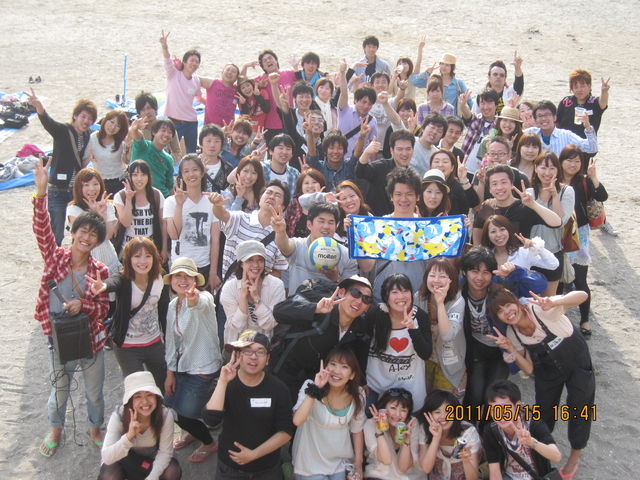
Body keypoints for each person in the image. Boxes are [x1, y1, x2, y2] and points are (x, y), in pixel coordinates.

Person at [31, 157, 109, 457]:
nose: (86, 238)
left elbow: (103, 310)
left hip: (92, 342)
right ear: (74, 232)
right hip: (59, 338)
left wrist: (84, 304)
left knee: (94, 393)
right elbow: (42, 231)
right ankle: (56, 428)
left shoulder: (100, 270)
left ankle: (95, 427)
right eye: (83, 232)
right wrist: (41, 193)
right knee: (59, 390)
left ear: (97, 241)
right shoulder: (56, 258)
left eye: (93, 234)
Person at [487, 286, 594, 478]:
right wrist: (511, 349)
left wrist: (556, 301)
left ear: (516, 302)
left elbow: (582, 295)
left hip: (576, 359)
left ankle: (574, 458)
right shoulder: (512, 333)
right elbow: (529, 369)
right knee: (543, 412)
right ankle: (542, 454)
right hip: (547, 369)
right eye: (500, 312)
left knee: (580, 409)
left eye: (508, 305)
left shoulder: (540, 308)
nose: (507, 313)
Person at [203, 330, 295, 480]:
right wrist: (223, 382)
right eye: (247, 351)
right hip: (230, 468)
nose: (253, 357)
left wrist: (254, 454)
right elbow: (211, 420)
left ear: (267, 359)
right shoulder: (224, 384)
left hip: (267, 468)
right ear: (237, 355)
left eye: (260, 352)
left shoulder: (279, 389)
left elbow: (286, 431)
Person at [272, 275, 374, 400]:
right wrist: (315, 309)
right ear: (341, 293)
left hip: (316, 382)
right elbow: (278, 311)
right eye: (355, 293)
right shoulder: (321, 303)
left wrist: (361, 382)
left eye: (366, 299)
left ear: (368, 307)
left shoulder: (360, 326)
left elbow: (358, 354)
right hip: (284, 373)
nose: (359, 301)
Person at [87, 237, 169, 390]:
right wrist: (104, 286)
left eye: (147, 256)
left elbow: (164, 311)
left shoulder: (160, 278)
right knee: (138, 390)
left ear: (154, 257)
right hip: (127, 346)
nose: (142, 261)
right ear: (129, 259)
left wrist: (168, 342)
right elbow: (113, 282)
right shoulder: (124, 278)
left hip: (154, 344)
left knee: (162, 388)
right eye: (137, 256)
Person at [163, 257, 222, 463]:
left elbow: (201, 305)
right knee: (168, 406)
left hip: (203, 367)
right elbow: (171, 340)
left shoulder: (204, 297)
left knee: (184, 413)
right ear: (171, 280)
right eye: (178, 275)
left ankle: (209, 442)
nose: (183, 280)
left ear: (195, 280)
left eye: (188, 276)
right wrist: (170, 373)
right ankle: (195, 432)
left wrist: (194, 300)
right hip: (182, 366)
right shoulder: (173, 305)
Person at [26, 89, 98, 245]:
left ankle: (73, 258)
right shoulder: (63, 131)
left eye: (90, 119)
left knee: (78, 230)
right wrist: (39, 106)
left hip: (76, 190)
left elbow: (78, 161)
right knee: (56, 234)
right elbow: (48, 122)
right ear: (75, 116)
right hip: (57, 190)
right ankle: (52, 259)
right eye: (83, 116)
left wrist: (88, 160)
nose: (86, 121)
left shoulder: (87, 135)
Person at [292, 346, 366, 480]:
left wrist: (358, 463)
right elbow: (297, 420)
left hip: (340, 461)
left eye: (344, 367)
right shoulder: (310, 386)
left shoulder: (358, 394)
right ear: (325, 366)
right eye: (333, 364)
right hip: (309, 463)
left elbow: (357, 429)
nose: (336, 371)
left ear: (352, 375)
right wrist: (316, 389)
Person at [357, 168, 429, 302]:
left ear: (418, 196)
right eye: (398, 194)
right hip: (383, 298)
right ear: (391, 196)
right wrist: (356, 236)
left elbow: (435, 265)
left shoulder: (426, 227)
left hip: (417, 299)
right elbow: (367, 267)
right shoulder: (379, 226)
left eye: (409, 194)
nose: (403, 199)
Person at [560, 146, 608, 335]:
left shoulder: (584, 181)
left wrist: (593, 176)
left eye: (577, 161)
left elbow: (602, 196)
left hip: (579, 233)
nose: (573, 164)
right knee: (559, 279)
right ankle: (559, 318)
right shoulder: (553, 179)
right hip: (558, 232)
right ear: (561, 161)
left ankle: (585, 320)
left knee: (580, 279)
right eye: (569, 160)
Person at [367, 274, 432, 411]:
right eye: (395, 292)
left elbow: (426, 354)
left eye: (405, 291)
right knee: (371, 418)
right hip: (375, 385)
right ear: (386, 296)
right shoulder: (376, 313)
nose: (401, 297)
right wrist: (361, 381)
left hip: (410, 387)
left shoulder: (420, 316)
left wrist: (413, 328)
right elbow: (362, 346)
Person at [99, 371, 181, 480]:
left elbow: (165, 453)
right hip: (125, 459)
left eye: (149, 394)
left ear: (156, 396)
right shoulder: (119, 416)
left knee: (172, 472)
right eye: (138, 396)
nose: (145, 402)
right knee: (108, 476)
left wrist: (152, 477)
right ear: (130, 400)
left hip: (153, 460)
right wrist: (129, 436)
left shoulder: (164, 415)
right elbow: (107, 457)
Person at [209, 180, 289, 280]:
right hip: (231, 287)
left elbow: (278, 271)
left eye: (277, 195)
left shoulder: (280, 237)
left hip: (259, 289)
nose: (271, 197)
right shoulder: (240, 219)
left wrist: (259, 281)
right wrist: (217, 205)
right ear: (260, 198)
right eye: (268, 192)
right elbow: (222, 214)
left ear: (283, 207)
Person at [482, 380, 562, 480]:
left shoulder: (534, 424)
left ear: (518, 406)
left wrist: (532, 442)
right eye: (495, 409)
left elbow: (556, 456)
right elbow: (494, 471)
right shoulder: (491, 431)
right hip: (510, 476)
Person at [164, 155, 221, 292]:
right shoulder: (171, 201)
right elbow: (174, 235)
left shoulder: (211, 201)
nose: (191, 174)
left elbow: (215, 240)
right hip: (180, 266)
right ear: (181, 176)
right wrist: (179, 205)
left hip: (203, 265)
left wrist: (213, 272)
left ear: (202, 172)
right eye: (186, 171)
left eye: (195, 169)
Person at [272, 202, 358, 293]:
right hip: (298, 301)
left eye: (331, 222)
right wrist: (280, 232)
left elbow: (350, 291)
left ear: (336, 227)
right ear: (309, 224)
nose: (326, 226)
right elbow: (284, 246)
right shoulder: (298, 245)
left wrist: (335, 278)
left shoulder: (347, 255)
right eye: (321, 221)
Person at [472, 164, 561, 245]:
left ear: (511, 184)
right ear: (490, 189)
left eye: (503, 182)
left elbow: (556, 223)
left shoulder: (524, 207)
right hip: (492, 257)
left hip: (520, 256)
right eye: (494, 184)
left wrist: (534, 204)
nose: (499, 187)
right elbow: (477, 232)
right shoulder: (487, 206)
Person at [415, 258, 467, 398]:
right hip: (425, 359)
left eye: (442, 276)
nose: (436, 280)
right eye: (432, 275)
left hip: (449, 362)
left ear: (451, 279)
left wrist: (440, 303)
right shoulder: (419, 298)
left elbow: (447, 335)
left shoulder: (457, 301)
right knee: (423, 400)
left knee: (442, 404)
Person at [526, 151, 575, 295]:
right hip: (530, 254)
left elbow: (560, 221)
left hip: (553, 252)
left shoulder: (566, 191)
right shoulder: (529, 193)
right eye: (543, 167)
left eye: (552, 168)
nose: (547, 173)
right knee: (528, 300)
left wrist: (554, 195)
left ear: (558, 170)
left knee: (549, 300)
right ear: (536, 168)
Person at [220, 240, 286, 343]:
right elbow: (237, 327)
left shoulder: (276, 285)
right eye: (250, 260)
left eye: (260, 260)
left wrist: (256, 298)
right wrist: (243, 297)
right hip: (236, 345)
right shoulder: (229, 288)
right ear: (241, 263)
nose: (255, 265)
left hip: (264, 346)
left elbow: (270, 324)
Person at [159, 30, 211, 153]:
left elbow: (199, 98)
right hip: (173, 121)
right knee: (169, 152)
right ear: (184, 62)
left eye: (197, 61)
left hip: (191, 121)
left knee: (191, 152)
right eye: (192, 60)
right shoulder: (173, 74)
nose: (194, 63)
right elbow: (167, 59)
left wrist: (210, 105)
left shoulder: (196, 80)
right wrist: (164, 45)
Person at [67, 168, 121, 275]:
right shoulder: (73, 209)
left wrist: (103, 214)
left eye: (95, 184)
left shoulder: (108, 206)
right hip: (83, 260)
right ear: (79, 188)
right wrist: (94, 213)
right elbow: (83, 235)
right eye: (86, 185)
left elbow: (108, 235)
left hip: (107, 258)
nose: (91, 189)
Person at [418, 390, 481, 480]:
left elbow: (473, 478)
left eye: (448, 411)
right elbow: (426, 469)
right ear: (429, 414)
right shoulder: (425, 429)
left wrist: (466, 460)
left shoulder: (468, 432)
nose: (443, 416)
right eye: (437, 412)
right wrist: (436, 438)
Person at [114, 160, 168, 260]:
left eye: (143, 175)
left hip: (150, 251)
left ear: (148, 176)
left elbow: (163, 223)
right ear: (129, 177)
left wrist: (164, 249)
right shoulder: (120, 196)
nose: (139, 179)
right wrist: (128, 199)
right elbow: (126, 222)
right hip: (127, 251)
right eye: (135, 175)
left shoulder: (156, 195)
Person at [365, 389, 422, 480]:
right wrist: (378, 430)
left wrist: (407, 440)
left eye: (403, 410)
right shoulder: (370, 424)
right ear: (383, 408)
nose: (397, 414)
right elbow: (386, 460)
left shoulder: (412, 424)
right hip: (380, 475)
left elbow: (403, 468)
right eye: (393, 408)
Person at [355, 130, 415, 216]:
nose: (404, 153)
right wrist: (366, 153)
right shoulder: (380, 167)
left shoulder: (412, 175)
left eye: (408, 149)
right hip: (376, 220)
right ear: (391, 150)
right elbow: (360, 172)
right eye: (400, 149)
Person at [480, 215, 559, 272]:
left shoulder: (522, 252)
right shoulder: (485, 256)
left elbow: (553, 264)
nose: (498, 235)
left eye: (502, 229)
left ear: (509, 230)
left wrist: (535, 246)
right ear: (487, 235)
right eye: (493, 231)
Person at [525, 100, 598, 156]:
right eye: (540, 116)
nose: (544, 119)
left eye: (547, 115)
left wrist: (588, 127)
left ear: (554, 117)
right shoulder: (530, 133)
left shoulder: (565, 135)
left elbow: (592, 148)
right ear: (535, 119)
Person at [338, 58, 378, 157]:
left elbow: (372, 144)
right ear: (356, 100)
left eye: (370, 104)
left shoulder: (372, 121)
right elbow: (344, 92)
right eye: (363, 102)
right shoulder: (345, 110)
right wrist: (342, 73)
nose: (366, 106)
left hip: (360, 161)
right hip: (340, 158)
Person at [84, 110, 129, 195]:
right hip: (101, 181)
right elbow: (84, 159)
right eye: (111, 122)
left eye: (118, 126)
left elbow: (127, 161)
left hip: (120, 179)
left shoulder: (122, 141)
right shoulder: (93, 138)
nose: (112, 127)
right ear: (106, 120)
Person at [129, 117, 176, 198]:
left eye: (170, 132)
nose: (166, 134)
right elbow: (138, 136)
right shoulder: (143, 147)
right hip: (140, 196)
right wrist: (135, 129)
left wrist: (174, 201)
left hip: (162, 197)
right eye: (163, 130)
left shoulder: (168, 158)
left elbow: (170, 185)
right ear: (154, 132)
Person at [131, 91, 183, 164]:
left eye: (149, 108)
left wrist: (165, 161)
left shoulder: (167, 127)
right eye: (143, 110)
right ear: (139, 113)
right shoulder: (137, 131)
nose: (147, 112)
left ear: (155, 109)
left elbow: (177, 152)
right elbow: (128, 158)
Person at [556, 69, 610, 138]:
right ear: (572, 89)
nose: (579, 90)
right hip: (565, 141)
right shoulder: (566, 102)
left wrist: (604, 91)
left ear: (589, 86)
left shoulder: (594, 102)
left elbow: (603, 103)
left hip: (586, 141)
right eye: (576, 87)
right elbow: (556, 122)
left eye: (582, 86)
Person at [458, 89, 499, 178]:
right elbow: (467, 114)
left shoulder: (500, 126)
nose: (485, 107)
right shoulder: (476, 119)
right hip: (464, 168)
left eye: (489, 103)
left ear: (496, 105)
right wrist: (463, 105)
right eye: (482, 103)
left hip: (484, 174)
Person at [427, 149, 479, 215]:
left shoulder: (457, 187)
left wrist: (463, 179)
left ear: (452, 167)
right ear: (430, 166)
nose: (440, 165)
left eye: (445, 162)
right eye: (436, 161)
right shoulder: (425, 185)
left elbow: (474, 204)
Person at [284, 168, 326, 238]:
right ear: (301, 187)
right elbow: (287, 227)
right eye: (306, 183)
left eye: (314, 182)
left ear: (321, 185)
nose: (310, 186)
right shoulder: (294, 204)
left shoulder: (327, 205)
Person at [261, 133, 300, 197]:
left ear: (292, 154)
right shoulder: (261, 168)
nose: (284, 152)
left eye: (288, 149)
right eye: (280, 148)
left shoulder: (295, 174)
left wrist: (305, 176)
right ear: (271, 151)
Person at [199, 124, 234, 193]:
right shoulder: (190, 165)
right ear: (201, 143)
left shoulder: (228, 168)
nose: (212, 145)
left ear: (222, 145)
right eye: (208, 141)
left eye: (217, 141)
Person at [411, 113, 448, 177]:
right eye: (432, 128)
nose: (434, 132)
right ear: (423, 128)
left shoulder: (437, 154)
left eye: (439, 131)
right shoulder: (411, 142)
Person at [204, 63, 240, 127]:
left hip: (228, 129)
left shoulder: (237, 90)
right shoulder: (212, 83)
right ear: (222, 72)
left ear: (236, 78)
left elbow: (245, 83)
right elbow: (194, 79)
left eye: (233, 72)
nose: (230, 72)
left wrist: (245, 66)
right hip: (210, 128)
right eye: (228, 70)